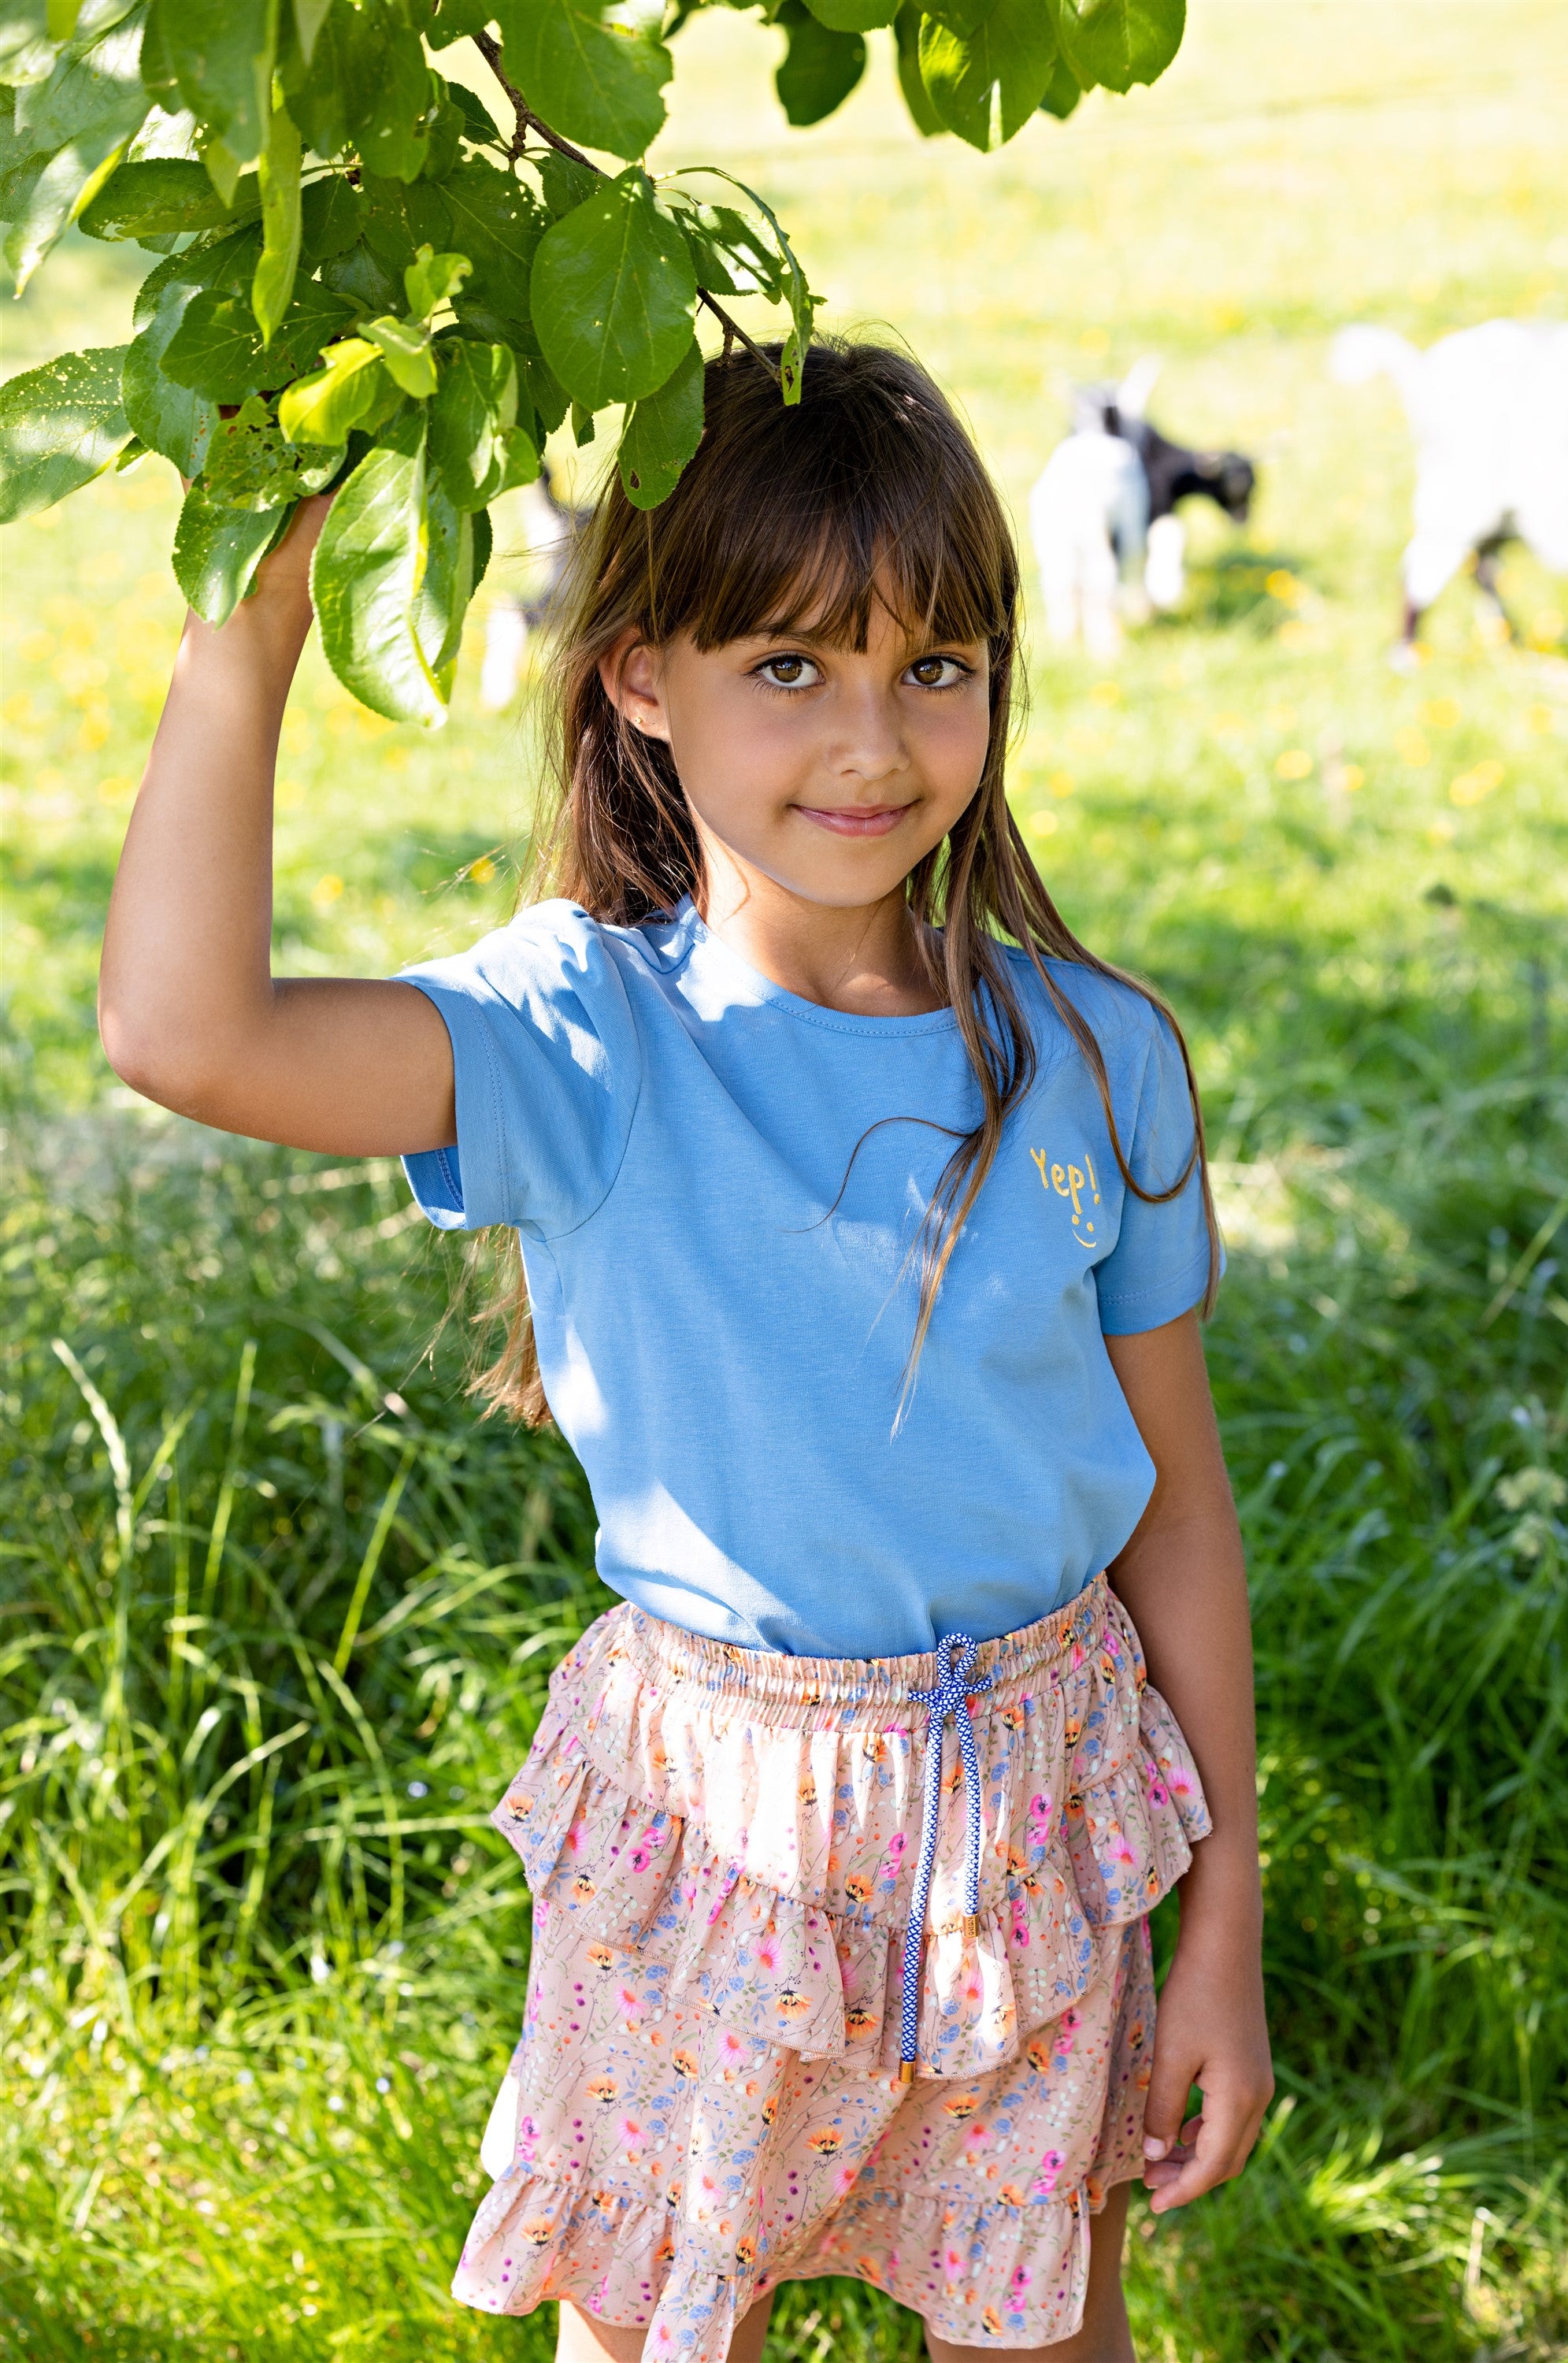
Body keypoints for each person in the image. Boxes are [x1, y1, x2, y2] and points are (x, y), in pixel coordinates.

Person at [99, 338, 1274, 2363]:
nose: (873, 743)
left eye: (935, 668)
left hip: (1045, 1801)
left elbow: (1174, 1503)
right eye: (788, 668)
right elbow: (184, 1037)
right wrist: (251, 640)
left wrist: (1224, 1926)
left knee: (1043, 2330)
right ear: (641, 676)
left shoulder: (1098, 1055)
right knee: (659, 2333)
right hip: (714, 1822)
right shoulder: (584, 1034)